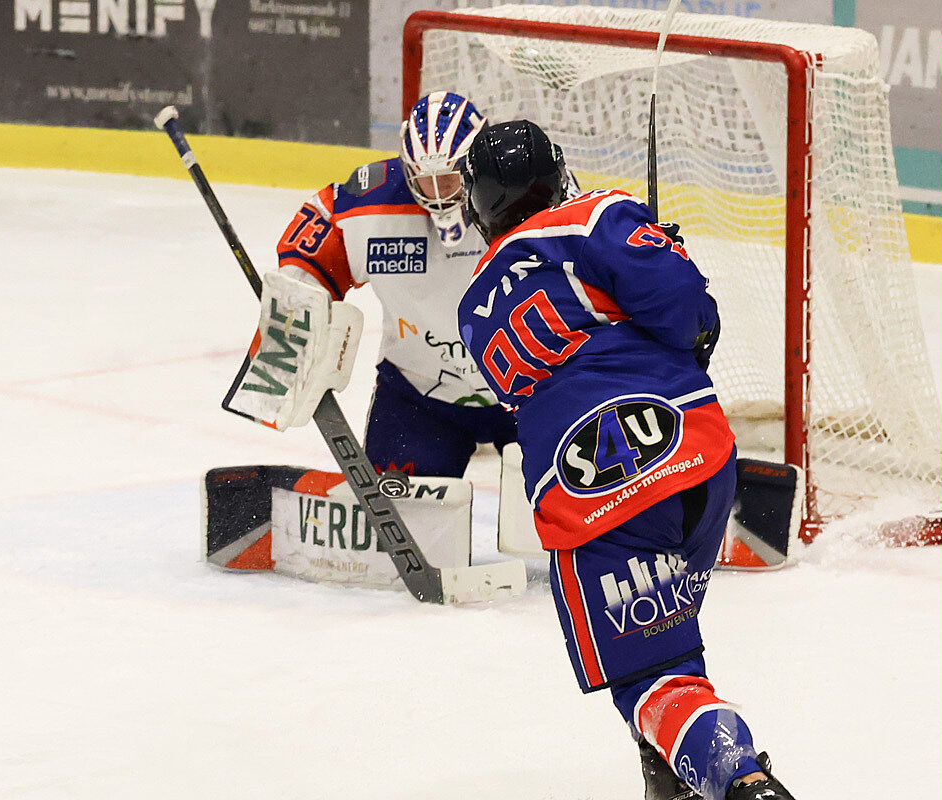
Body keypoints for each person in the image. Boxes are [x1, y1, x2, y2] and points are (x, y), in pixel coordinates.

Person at [455, 119, 797, 800]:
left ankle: (741, 781)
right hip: (697, 459)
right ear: (557, 175)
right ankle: (676, 783)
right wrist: (667, 257)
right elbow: (689, 316)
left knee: (655, 679)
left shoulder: (472, 308)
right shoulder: (597, 216)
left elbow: (535, 392)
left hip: (597, 503)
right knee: (670, 651)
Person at [271, 91, 516, 477]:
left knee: (572, 506)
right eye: (424, 180)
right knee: (401, 510)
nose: (439, 195)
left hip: (530, 390)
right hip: (419, 394)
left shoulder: (522, 196)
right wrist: (296, 308)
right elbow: (314, 245)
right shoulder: (373, 207)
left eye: (448, 178)